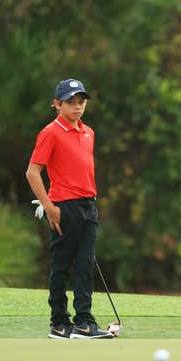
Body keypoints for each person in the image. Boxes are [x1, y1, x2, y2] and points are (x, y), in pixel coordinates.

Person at [26, 78, 113, 339]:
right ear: (57, 104)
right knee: (62, 266)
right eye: (71, 102)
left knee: (85, 265)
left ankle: (84, 322)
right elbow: (32, 172)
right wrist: (48, 205)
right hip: (64, 208)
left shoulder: (89, 133)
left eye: (81, 102)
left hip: (89, 206)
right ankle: (59, 322)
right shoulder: (50, 132)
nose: (77, 107)